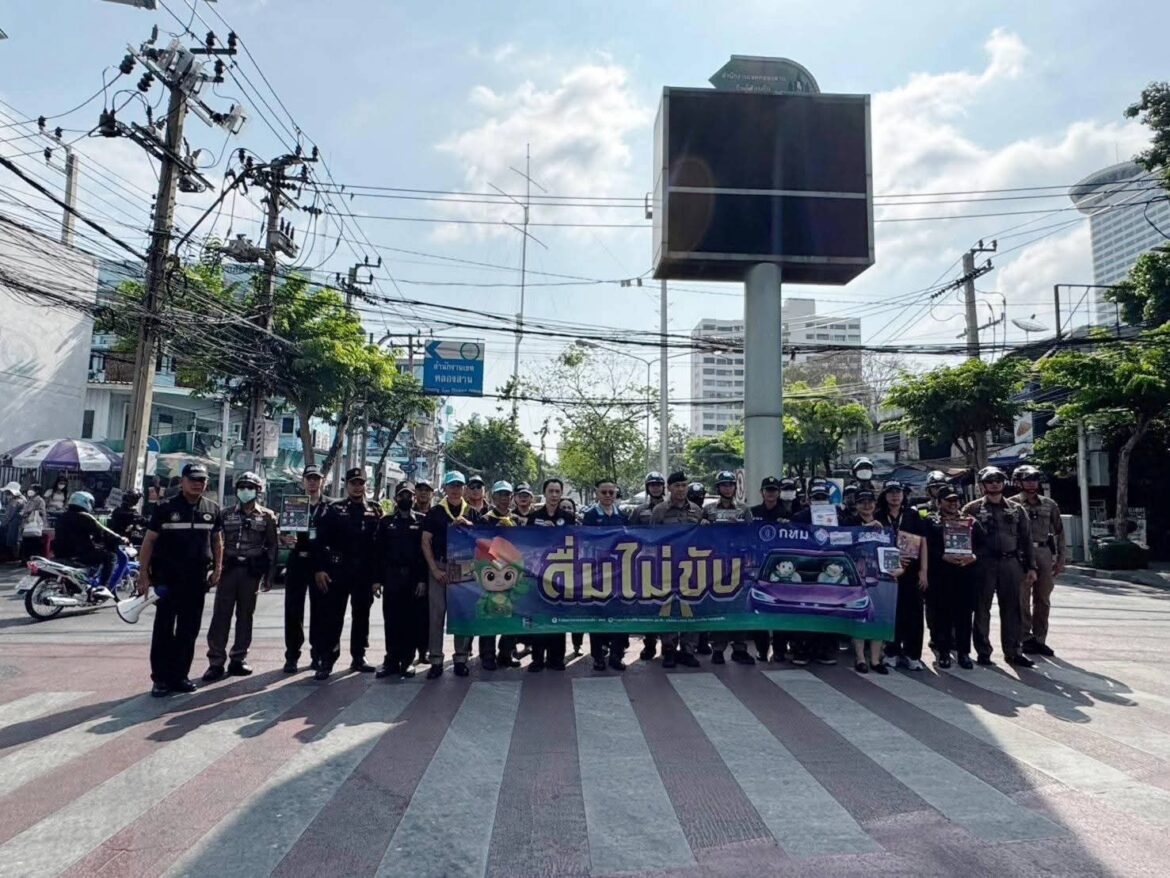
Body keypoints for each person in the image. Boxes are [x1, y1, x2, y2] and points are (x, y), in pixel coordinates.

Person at [136, 462, 223, 697]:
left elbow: (217, 541)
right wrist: (144, 575)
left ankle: (180, 676)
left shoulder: (212, 509)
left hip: (196, 580)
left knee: (189, 629)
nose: (197, 484)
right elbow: (149, 541)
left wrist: (218, 568)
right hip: (167, 578)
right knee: (164, 629)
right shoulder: (165, 507)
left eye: (202, 480)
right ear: (182, 481)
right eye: (193, 479)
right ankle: (160, 679)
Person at [203, 472, 278, 682]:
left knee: (245, 615)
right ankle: (216, 661)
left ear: (258, 491)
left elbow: (272, 546)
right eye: (242, 487)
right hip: (228, 570)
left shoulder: (267, 516)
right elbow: (215, 543)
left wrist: (269, 575)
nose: (246, 490)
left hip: (251, 572)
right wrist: (215, 569)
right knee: (221, 615)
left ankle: (239, 657)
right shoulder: (225, 514)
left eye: (250, 487)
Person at [313, 468, 383, 681]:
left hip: (364, 573)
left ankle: (359, 656)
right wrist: (319, 569)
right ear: (347, 485)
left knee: (362, 616)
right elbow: (319, 541)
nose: (357, 487)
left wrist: (377, 578)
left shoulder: (374, 510)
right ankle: (327, 659)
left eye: (360, 483)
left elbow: (378, 548)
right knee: (333, 617)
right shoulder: (333, 509)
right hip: (338, 571)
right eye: (353, 483)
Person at [964, 466, 1036, 668]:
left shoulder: (1016, 509)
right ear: (982, 485)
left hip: (1010, 563)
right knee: (981, 608)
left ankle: (1014, 651)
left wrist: (1031, 567)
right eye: (990, 481)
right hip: (983, 564)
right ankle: (983, 651)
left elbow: (1026, 539)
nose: (994, 484)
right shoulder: (971, 509)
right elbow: (962, 538)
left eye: (998, 480)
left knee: (1013, 608)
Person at [421, 471, 479, 679]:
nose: (455, 490)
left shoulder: (472, 513)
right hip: (440, 566)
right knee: (436, 615)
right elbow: (425, 541)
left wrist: (471, 528)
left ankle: (461, 658)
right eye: (452, 486)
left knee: (462, 614)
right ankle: (436, 660)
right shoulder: (435, 512)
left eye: (459, 486)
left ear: (464, 489)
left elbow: (483, 542)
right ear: (444, 488)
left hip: (464, 567)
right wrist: (434, 569)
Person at [372, 482, 428, 679]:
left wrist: (422, 580)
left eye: (409, 495)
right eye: (402, 495)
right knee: (392, 621)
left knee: (411, 622)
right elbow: (378, 552)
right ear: (396, 498)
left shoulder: (421, 520)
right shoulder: (386, 522)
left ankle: (407, 661)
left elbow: (424, 554)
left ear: (414, 498)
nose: (406, 499)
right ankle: (391, 661)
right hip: (392, 578)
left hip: (413, 579)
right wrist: (376, 580)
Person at [1010, 465, 1066, 657]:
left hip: (1043, 551)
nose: (1032, 484)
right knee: (1022, 599)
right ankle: (1025, 638)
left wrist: (1061, 558)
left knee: (1043, 598)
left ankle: (1040, 639)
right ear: (1018, 482)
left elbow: (1059, 532)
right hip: (1021, 554)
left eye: (1034, 480)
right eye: (1027, 480)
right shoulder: (1011, 504)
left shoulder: (1049, 504)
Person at [922, 484, 981, 670]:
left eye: (955, 500)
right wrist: (941, 556)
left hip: (964, 576)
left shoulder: (970, 521)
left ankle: (964, 653)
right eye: (948, 500)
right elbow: (925, 547)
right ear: (939, 502)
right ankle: (943, 653)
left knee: (964, 616)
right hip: (941, 576)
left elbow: (983, 545)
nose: (953, 504)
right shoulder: (931, 522)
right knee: (941, 616)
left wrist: (974, 556)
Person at [649, 472, 703, 668]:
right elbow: (651, 539)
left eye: (684, 485)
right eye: (677, 485)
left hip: (692, 567)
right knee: (668, 607)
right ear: (669, 488)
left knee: (692, 607)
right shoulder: (660, 511)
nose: (681, 489)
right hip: (667, 567)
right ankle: (669, 649)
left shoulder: (696, 510)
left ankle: (688, 650)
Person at [789, 479, 846, 665]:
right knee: (803, 610)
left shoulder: (839, 517)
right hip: (805, 570)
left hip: (830, 571)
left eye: (823, 497)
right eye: (816, 497)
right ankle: (800, 649)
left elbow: (849, 537)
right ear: (809, 499)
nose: (820, 500)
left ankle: (826, 649)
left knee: (830, 610)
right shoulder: (798, 518)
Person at [702, 471, 755, 666]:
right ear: (718, 488)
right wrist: (703, 525)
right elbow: (698, 537)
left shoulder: (744, 509)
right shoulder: (708, 510)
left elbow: (752, 535)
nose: (727, 488)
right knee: (718, 605)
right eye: (723, 485)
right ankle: (718, 648)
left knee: (740, 605)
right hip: (715, 563)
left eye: (730, 485)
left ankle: (739, 648)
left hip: (739, 563)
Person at [876, 481, 930, 670]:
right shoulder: (878, 516)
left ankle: (912, 654)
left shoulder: (913, 515)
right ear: (884, 496)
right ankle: (891, 651)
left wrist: (923, 571)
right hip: (887, 571)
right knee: (892, 612)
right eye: (890, 492)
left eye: (898, 492)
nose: (895, 496)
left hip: (911, 571)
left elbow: (923, 542)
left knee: (914, 612)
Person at [283, 465, 329, 674]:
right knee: (293, 610)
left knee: (320, 610)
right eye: (309, 478)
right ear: (303, 481)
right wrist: (284, 537)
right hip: (297, 561)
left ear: (322, 481)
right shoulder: (294, 504)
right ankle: (292, 655)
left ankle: (317, 654)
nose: (312, 482)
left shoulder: (330, 507)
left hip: (319, 564)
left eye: (316, 479)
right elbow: (284, 532)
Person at [750, 476, 800, 661]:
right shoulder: (752, 512)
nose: (770, 493)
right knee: (758, 607)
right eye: (767, 490)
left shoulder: (788, 514)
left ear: (778, 492)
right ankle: (762, 649)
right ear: (761, 492)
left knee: (781, 607)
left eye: (774, 490)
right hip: (758, 566)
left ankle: (779, 649)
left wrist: (789, 527)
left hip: (781, 568)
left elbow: (796, 538)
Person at [581, 477, 628, 672]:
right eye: (604, 492)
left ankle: (617, 655)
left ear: (616, 493)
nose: (608, 496)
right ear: (597, 493)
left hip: (619, 574)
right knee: (597, 613)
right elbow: (585, 541)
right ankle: (598, 656)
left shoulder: (623, 516)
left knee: (620, 614)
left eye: (611, 492)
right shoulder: (590, 516)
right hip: (597, 573)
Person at [527, 478, 572, 672]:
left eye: (557, 491)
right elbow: (526, 544)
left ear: (561, 494)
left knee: (558, 615)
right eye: (550, 491)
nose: (554, 495)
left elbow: (575, 542)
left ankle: (556, 658)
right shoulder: (534, 517)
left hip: (560, 574)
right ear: (544, 493)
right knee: (539, 615)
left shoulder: (568, 518)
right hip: (538, 573)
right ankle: (537, 658)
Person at [477, 480, 522, 669]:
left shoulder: (517, 520)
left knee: (511, 615)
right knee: (489, 615)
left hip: (512, 574)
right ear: (493, 497)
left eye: (507, 495)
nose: (504, 498)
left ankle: (506, 653)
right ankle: (487, 655)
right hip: (491, 575)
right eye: (500, 494)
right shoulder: (485, 520)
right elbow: (479, 545)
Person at [51, 490, 126, 600]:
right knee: (110, 556)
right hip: (79, 553)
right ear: (85, 502)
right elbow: (102, 531)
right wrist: (119, 538)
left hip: (60, 553)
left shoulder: (62, 516)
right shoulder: (85, 516)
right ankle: (103, 588)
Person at [849, 488, 892, 674]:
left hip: (881, 575)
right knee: (860, 614)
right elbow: (843, 541)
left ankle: (875, 659)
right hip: (857, 576)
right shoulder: (849, 522)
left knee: (880, 615)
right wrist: (866, 529)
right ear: (856, 505)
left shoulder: (885, 522)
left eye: (870, 502)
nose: (867, 505)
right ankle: (860, 658)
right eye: (862, 502)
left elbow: (892, 547)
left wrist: (895, 568)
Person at [630, 471, 668, 659]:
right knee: (648, 605)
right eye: (652, 485)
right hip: (646, 564)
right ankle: (650, 644)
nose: (656, 488)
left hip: (669, 562)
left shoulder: (670, 508)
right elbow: (630, 534)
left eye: (658, 484)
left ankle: (668, 646)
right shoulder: (639, 511)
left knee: (668, 603)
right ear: (647, 487)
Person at [19, 486, 46, 563]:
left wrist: (30, 512)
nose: (29, 491)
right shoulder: (29, 500)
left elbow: (42, 512)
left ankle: (32, 561)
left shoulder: (40, 500)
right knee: (25, 543)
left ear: (36, 491)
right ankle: (25, 560)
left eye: (31, 490)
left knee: (33, 543)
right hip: (26, 524)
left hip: (35, 524)